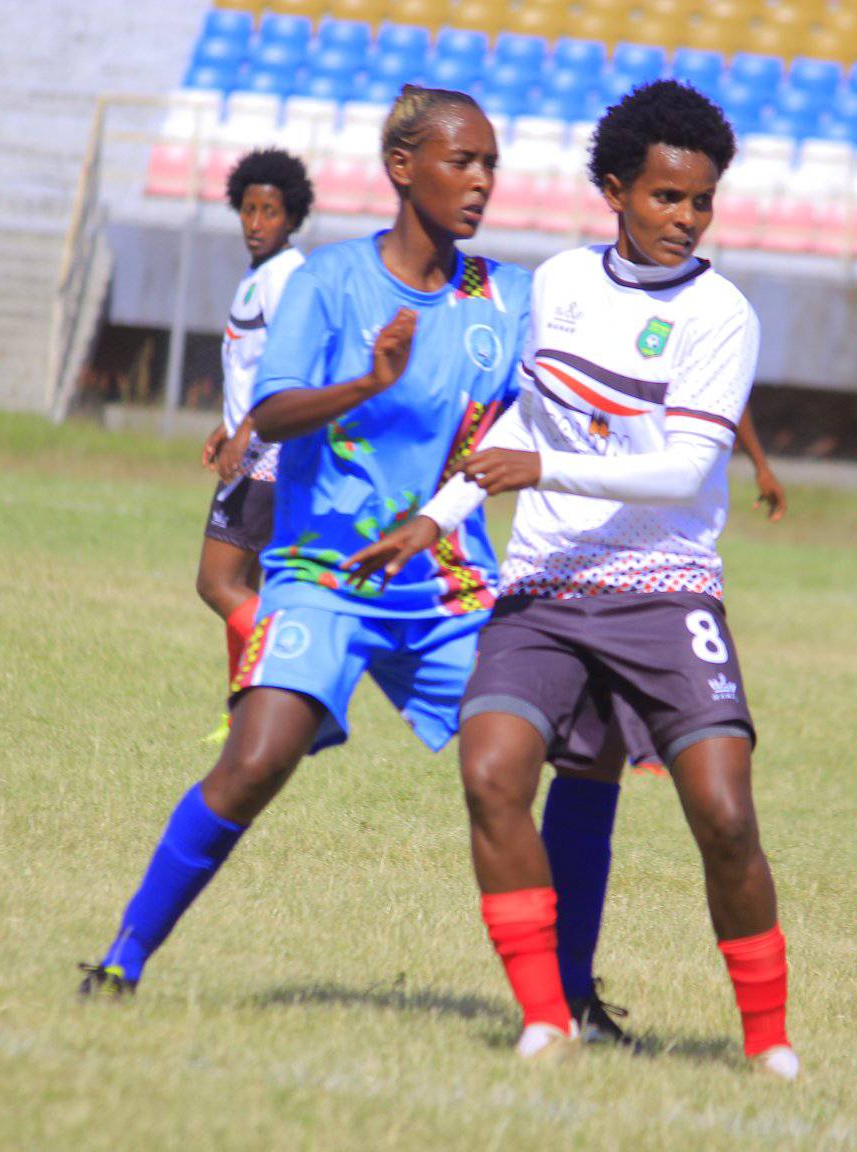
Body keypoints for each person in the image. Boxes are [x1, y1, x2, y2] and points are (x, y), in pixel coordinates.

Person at [347, 81, 798, 1073]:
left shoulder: (723, 314)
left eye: (702, 201)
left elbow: (684, 469)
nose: (685, 218)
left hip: (666, 586)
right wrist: (438, 515)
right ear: (614, 190)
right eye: (666, 197)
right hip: (546, 587)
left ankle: (768, 1047)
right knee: (491, 772)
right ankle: (547, 1016)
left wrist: (540, 469)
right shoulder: (555, 286)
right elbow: (529, 421)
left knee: (724, 812)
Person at [79, 85, 560, 1003]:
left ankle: (560, 1004)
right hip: (320, 576)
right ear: (402, 168)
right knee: (256, 759)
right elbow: (272, 412)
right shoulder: (330, 282)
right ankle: (122, 960)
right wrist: (367, 383)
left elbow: (581, 379)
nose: (481, 182)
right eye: (463, 161)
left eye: (491, 164)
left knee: (546, 761)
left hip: (449, 586)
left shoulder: (512, 298)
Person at [197, 148, 314, 744]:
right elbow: (250, 367)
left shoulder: (287, 277)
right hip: (256, 448)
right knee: (245, 581)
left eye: (270, 211)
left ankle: (287, 655)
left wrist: (245, 432)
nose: (256, 221)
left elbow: (291, 369)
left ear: (292, 217)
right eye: (248, 209)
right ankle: (241, 714)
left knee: (216, 583)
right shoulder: (258, 277)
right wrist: (227, 422)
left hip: (266, 457)